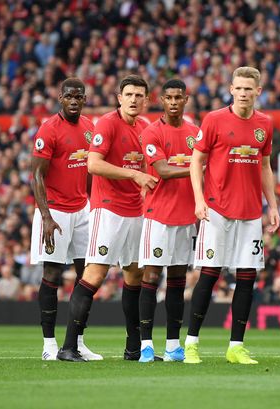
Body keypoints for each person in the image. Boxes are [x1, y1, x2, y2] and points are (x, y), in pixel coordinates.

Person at [184, 66, 280, 365]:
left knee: (247, 278)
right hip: (217, 210)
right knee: (209, 275)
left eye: (248, 89)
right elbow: (196, 161)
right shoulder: (214, 119)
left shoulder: (265, 123)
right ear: (231, 89)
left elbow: (265, 166)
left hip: (250, 213)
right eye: (238, 88)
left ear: (258, 91)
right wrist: (199, 200)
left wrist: (273, 205)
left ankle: (236, 346)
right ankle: (191, 344)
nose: (243, 93)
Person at [57, 75, 157, 362]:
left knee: (134, 275)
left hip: (136, 210)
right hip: (108, 209)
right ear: (119, 97)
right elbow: (93, 164)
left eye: (139, 95)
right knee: (95, 274)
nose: (134, 99)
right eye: (129, 94)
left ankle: (133, 348)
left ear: (146, 100)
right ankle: (68, 347)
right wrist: (133, 174)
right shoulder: (107, 124)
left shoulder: (145, 127)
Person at [30, 78, 102, 361]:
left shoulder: (89, 127)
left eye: (78, 97)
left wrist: (93, 203)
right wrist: (46, 216)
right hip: (55, 211)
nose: (74, 101)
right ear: (60, 98)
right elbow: (37, 175)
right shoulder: (49, 129)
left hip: (82, 210)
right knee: (52, 274)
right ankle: (48, 344)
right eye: (69, 96)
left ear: (84, 99)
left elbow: (90, 170)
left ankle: (78, 342)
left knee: (88, 275)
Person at [136, 79, 200, 363]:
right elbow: (162, 170)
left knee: (177, 279)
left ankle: (173, 346)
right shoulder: (152, 132)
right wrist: (196, 167)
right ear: (161, 100)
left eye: (178, 98)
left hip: (186, 217)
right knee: (151, 276)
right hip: (159, 216)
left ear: (186, 100)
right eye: (169, 98)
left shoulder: (195, 133)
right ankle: (146, 345)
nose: (174, 102)